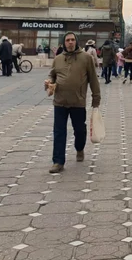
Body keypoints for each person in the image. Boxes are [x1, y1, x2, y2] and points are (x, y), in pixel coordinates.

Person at [45, 32, 100, 174]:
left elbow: (93, 79)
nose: (70, 42)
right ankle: (58, 162)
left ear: (76, 42)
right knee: (59, 132)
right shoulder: (58, 59)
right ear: (64, 42)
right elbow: (52, 74)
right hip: (60, 101)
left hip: (78, 102)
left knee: (80, 130)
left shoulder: (86, 58)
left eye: (72, 40)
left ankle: (80, 148)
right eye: (67, 40)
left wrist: (96, 99)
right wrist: (49, 81)